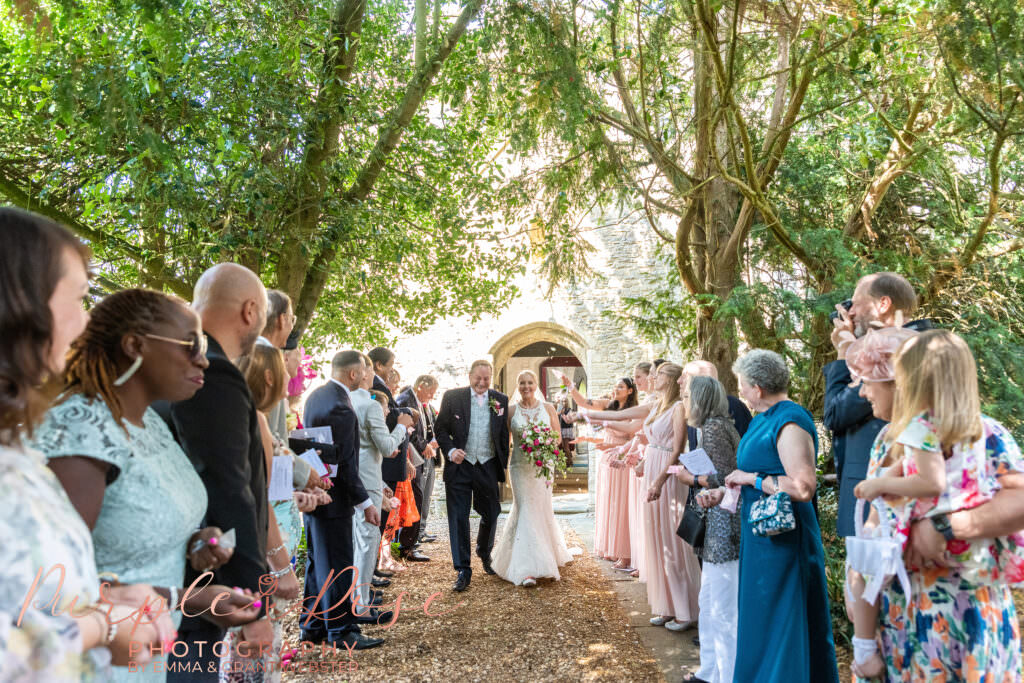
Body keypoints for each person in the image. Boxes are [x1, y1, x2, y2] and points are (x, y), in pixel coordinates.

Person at [34, 289, 259, 682]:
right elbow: (47, 587)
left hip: (150, 651)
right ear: (135, 345)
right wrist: (190, 600)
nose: (203, 359)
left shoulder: (150, 422)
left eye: (203, 345)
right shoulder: (81, 430)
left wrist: (195, 542)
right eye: (190, 344)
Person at [0, 207, 172, 680]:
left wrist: (102, 596)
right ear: (21, 308)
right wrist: (102, 624)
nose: (84, 324)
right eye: (78, 299)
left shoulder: (18, 452)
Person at [849, 329, 1024, 681]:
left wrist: (945, 528)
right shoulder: (887, 441)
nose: (863, 393)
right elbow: (875, 515)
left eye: (869, 382)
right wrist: (859, 575)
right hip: (899, 618)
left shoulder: (986, 433)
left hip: (967, 612)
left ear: (903, 383)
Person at [162, 263, 273, 681]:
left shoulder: (192, 364)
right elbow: (227, 484)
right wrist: (251, 602)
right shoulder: (213, 370)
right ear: (250, 311)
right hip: (198, 591)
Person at [725, 349, 838, 682]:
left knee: (783, 619)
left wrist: (751, 479)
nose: (741, 391)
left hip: (786, 540)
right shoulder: (761, 419)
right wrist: (728, 489)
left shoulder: (791, 419)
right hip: (761, 538)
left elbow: (803, 487)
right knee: (761, 617)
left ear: (758, 387)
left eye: (743, 385)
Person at [824, 272, 919, 536]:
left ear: (883, 304)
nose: (849, 312)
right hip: (871, 495)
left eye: (855, 303)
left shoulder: (907, 349)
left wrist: (845, 353)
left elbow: (836, 413)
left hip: (891, 499)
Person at [301, 351, 383, 650]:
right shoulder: (342, 408)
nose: (365, 376)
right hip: (333, 500)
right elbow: (347, 464)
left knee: (316, 563)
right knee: (338, 567)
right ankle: (341, 630)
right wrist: (366, 504)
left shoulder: (315, 396)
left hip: (313, 493)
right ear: (353, 374)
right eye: (363, 372)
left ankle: (312, 626)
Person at [672, 377, 740, 683]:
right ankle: (710, 671)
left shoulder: (713, 428)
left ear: (700, 399)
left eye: (688, 396)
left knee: (722, 606)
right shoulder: (713, 426)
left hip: (724, 526)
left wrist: (694, 479)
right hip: (716, 524)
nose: (685, 402)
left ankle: (725, 675)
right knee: (709, 602)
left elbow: (726, 478)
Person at [434, 360, 511, 592]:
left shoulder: (500, 400)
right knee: (458, 517)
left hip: (486, 464)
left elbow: (502, 433)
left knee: (492, 511)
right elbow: (440, 429)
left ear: (491, 379)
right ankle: (463, 569)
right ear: (469, 376)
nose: (481, 382)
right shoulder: (452, 397)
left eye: (486, 379)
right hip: (460, 466)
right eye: (478, 378)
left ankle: (484, 551)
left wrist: (503, 461)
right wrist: (449, 450)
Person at [491, 370, 573, 587]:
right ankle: (526, 568)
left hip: (542, 467)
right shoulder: (510, 411)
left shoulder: (548, 408)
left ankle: (547, 556)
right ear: (517, 386)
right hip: (519, 467)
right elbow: (504, 442)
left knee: (541, 509)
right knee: (525, 508)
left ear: (536, 385)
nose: (526, 386)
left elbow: (556, 438)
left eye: (530, 382)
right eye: (522, 383)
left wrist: (543, 444)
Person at [350, 355, 410, 620]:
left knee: (358, 543)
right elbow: (386, 448)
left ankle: (359, 598)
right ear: (364, 373)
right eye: (371, 370)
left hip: (355, 478)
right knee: (366, 544)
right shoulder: (370, 404)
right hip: (367, 482)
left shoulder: (348, 400)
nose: (374, 375)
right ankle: (360, 605)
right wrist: (401, 427)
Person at [560, 372, 638, 570]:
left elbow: (634, 438)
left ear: (630, 391)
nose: (615, 389)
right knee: (608, 502)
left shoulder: (635, 410)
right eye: (615, 386)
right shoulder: (607, 404)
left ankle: (625, 552)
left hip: (621, 457)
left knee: (622, 504)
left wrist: (620, 451)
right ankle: (610, 547)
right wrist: (571, 387)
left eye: (620, 387)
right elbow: (584, 403)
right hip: (606, 457)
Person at [368, 347, 422, 560]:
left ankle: (376, 564)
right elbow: (387, 419)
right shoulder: (375, 385)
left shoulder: (379, 385)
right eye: (390, 366)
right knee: (380, 513)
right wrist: (408, 413)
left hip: (390, 456)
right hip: (384, 458)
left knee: (384, 512)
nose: (392, 371)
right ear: (379, 365)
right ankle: (373, 567)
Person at [397, 375, 441, 543]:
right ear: (421, 386)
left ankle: (414, 538)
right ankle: (409, 542)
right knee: (416, 496)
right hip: (411, 456)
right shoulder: (406, 399)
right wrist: (424, 446)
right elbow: (411, 429)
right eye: (430, 392)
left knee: (421, 495)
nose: (431, 396)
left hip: (420, 456)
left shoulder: (417, 401)